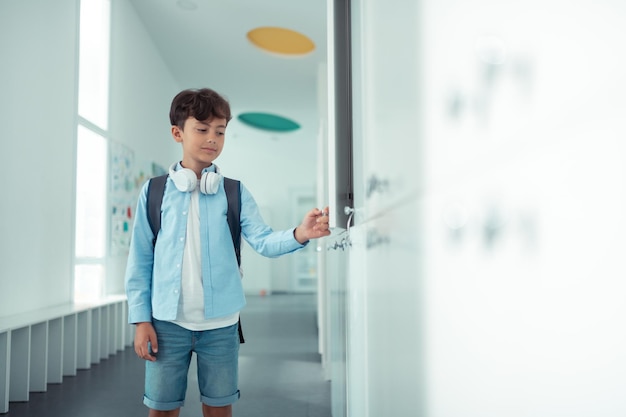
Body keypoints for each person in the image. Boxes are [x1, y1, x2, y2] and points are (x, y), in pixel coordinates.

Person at [124, 87, 331, 417]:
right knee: (161, 409)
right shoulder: (154, 191)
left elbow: (263, 240)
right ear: (178, 132)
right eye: (202, 129)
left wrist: (300, 233)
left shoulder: (233, 192)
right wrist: (140, 320)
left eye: (220, 131)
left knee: (219, 408)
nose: (213, 139)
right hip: (166, 323)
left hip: (221, 325)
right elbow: (140, 261)